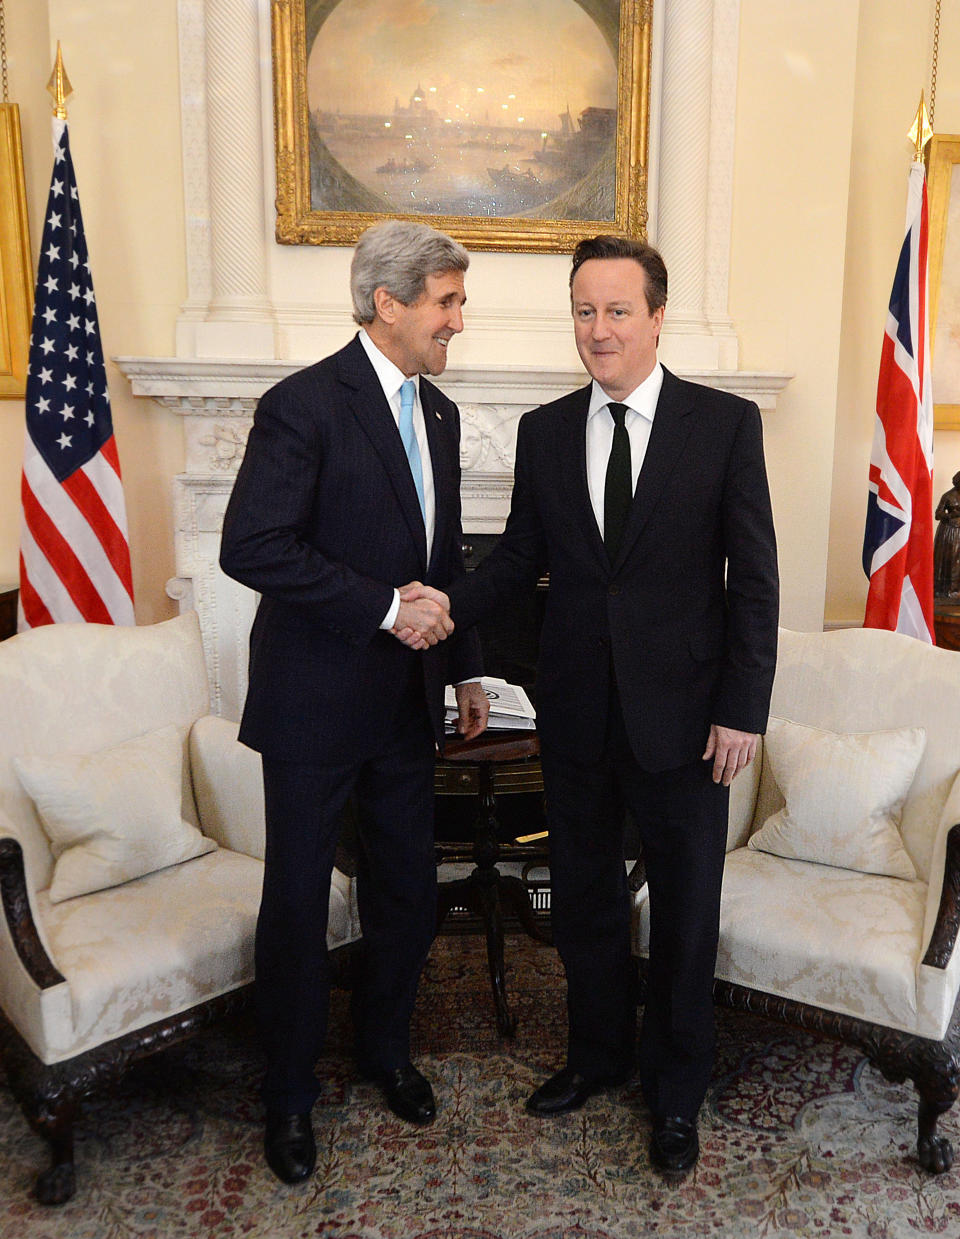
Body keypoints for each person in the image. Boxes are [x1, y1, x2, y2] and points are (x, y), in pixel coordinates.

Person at [401, 234, 779, 1178]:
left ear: (657, 316)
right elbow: (522, 553)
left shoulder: (725, 425)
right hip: (575, 715)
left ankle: (676, 1087)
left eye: (617, 310)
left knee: (687, 909)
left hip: (691, 721)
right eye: (583, 310)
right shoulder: (545, 428)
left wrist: (743, 708)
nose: (598, 329)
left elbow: (755, 584)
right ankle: (598, 1055)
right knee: (584, 901)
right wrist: (443, 606)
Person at [220, 220, 489, 1185]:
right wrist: (382, 608)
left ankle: (384, 1051)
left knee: (408, 893)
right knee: (296, 904)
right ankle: (289, 1095)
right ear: (390, 303)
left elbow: (446, 559)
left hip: (407, 706)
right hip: (313, 704)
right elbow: (251, 545)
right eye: (447, 301)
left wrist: (464, 668)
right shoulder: (302, 405)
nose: (460, 319)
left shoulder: (444, 413)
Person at [934, 471, 960, 599]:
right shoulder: (948, 496)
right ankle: (947, 590)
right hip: (951, 531)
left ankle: (957, 589)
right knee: (951, 560)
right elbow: (938, 514)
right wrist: (950, 515)